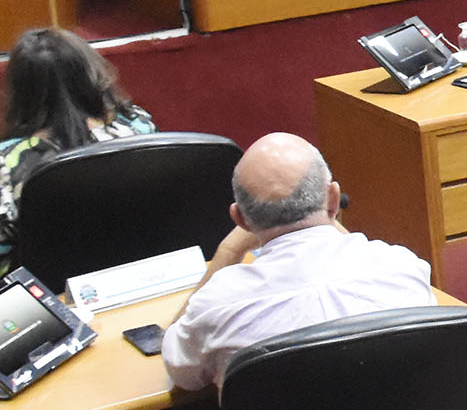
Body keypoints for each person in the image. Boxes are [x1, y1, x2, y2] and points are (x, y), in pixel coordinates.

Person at [159, 135, 435, 393]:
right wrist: (328, 217)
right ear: (334, 198)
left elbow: (181, 372)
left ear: (240, 219)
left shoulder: (216, 304)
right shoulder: (402, 269)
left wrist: (228, 251)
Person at [0, 28, 157, 295]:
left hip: (56, 303)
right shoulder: (139, 127)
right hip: (145, 287)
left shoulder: (13, 161)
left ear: (20, 92)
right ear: (92, 75)